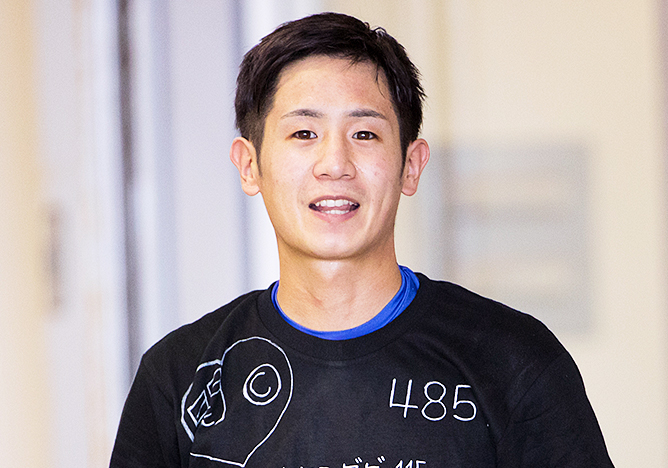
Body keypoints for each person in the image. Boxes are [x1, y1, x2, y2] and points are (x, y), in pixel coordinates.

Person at [110, 12, 614, 468]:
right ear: (249, 165)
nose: (335, 164)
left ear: (411, 165)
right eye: (304, 134)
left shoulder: (514, 361)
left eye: (365, 134)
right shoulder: (179, 377)